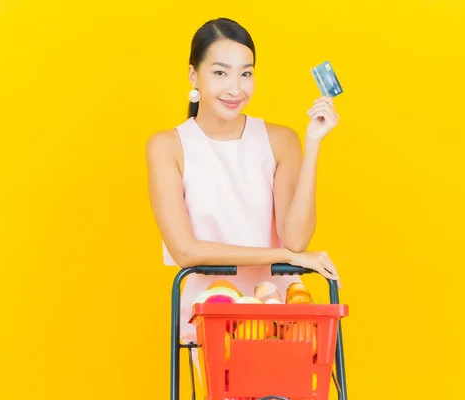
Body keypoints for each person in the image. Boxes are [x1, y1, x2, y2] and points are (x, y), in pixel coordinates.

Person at [146, 16, 342, 392]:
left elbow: (296, 239)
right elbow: (186, 251)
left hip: (285, 314)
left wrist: (314, 143)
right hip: (212, 315)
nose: (235, 88)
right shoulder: (167, 147)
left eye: (246, 74)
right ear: (193, 76)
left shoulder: (281, 139)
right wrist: (283, 254)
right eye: (220, 73)